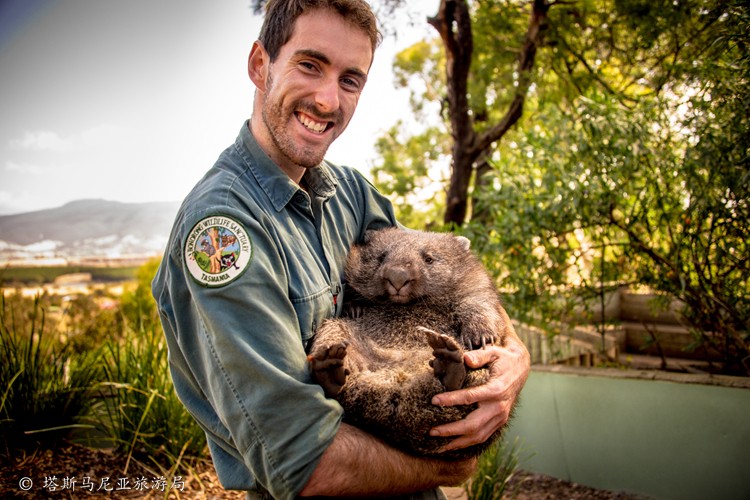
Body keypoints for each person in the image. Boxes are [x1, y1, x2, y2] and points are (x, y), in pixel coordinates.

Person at [151, 0, 530, 498]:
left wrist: (514, 361)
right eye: (310, 65)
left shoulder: (348, 192)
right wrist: (447, 468)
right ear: (260, 65)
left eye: (350, 79)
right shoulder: (223, 230)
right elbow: (303, 463)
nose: (328, 100)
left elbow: (448, 272)